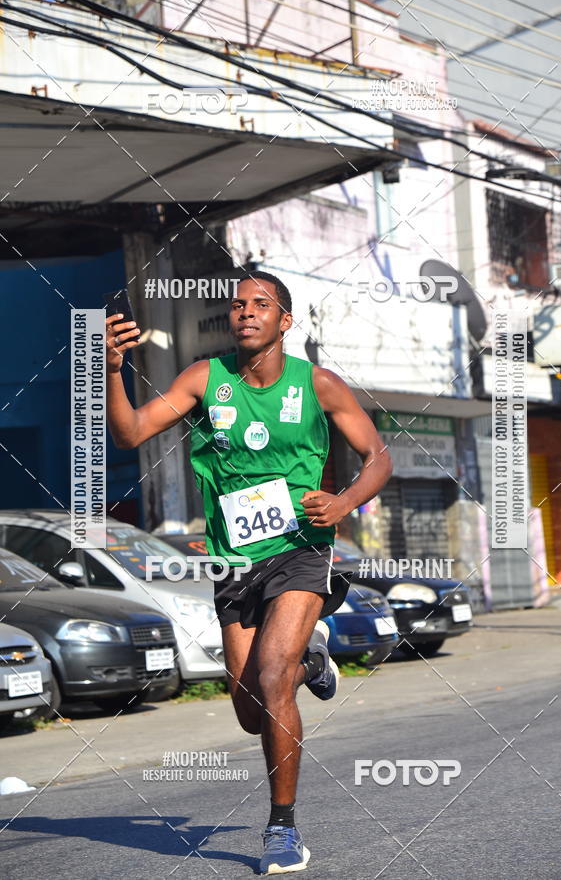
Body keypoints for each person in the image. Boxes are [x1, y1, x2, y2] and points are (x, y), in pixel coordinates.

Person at [105, 271, 392, 874]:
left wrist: (343, 504)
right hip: (233, 558)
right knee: (247, 709)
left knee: (271, 673)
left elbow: (378, 456)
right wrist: (109, 368)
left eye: (261, 304)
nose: (245, 312)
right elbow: (131, 432)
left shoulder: (316, 384)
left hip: (300, 549)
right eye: (237, 304)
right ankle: (313, 659)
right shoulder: (205, 378)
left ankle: (282, 827)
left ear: (285, 321)